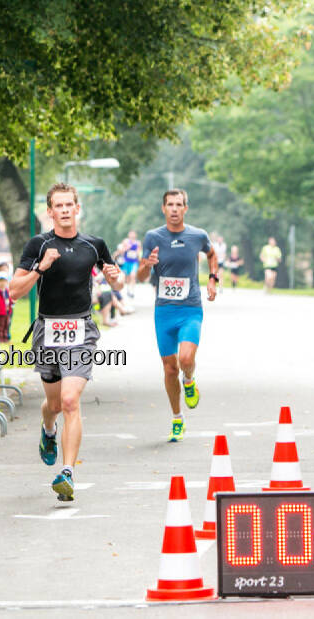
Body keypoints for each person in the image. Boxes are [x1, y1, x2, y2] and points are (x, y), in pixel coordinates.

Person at [9, 182, 123, 501]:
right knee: (55, 404)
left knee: (71, 400)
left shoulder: (94, 244)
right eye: (57, 206)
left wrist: (116, 278)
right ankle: (48, 430)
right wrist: (40, 268)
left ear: (77, 208)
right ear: (50, 212)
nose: (63, 211)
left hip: (81, 331)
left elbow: (117, 279)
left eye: (68, 205)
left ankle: (68, 472)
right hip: (47, 330)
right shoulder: (38, 244)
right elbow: (14, 290)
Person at [137, 189, 218, 442]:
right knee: (170, 368)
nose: (174, 209)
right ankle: (177, 418)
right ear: (163, 209)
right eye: (170, 204)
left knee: (185, 358)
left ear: (186, 208)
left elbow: (212, 254)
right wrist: (147, 265)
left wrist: (212, 279)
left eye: (179, 204)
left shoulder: (197, 235)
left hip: (190, 308)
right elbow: (140, 277)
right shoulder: (153, 237)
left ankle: (190, 379)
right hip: (164, 311)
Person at [119, 230, 141, 298]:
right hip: (126, 261)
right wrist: (126, 248)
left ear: (135, 235)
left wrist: (137, 253)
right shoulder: (126, 241)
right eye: (131, 234)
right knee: (127, 277)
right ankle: (128, 289)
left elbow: (139, 252)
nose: (132, 235)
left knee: (133, 275)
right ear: (129, 235)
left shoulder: (138, 242)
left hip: (134, 261)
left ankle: (132, 291)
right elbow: (121, 251)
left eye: (133, 234)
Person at [0, 273, 13, 343]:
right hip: (1, 312)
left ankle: (6, 338)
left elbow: (10, 299)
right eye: (1, 281)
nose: (3, 283)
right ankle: (0, 338)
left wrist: (11, 303)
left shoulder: (7, 291)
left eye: (4, 281)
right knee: (0, 326)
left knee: (6, 325)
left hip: (7, 311)